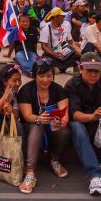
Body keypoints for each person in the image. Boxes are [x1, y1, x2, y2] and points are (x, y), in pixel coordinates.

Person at [66, 51, 101, 196]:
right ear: (81, 68)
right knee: (77, 128)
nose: (93, 75)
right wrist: (92, 116)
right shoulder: (72, 84)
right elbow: (74, 114)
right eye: (89, 71)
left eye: (96, 71)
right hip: (83, 121)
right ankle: (94, 175)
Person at [17, 56, 70, 193]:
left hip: (52, 125)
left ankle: (54, 159)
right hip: (31, 125)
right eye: (41, 76)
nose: (45, 80)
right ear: (34, 76)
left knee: (64, 130)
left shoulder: (58, 90)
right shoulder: (26, 90)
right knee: (37, 125)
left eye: (48, 76)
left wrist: (61, 121)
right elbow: (27, 116)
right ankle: (30, 172)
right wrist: (39, 118)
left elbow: (65, 116)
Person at [39, 8, 79, 72]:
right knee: (45, 57)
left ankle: (60, 68)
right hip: (52, 53)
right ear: (55, 17)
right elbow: (43, 46)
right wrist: (54, 54)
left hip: (65, 52)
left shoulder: (65, 26)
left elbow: (70, 42)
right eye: (62, 16)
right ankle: (65, 67)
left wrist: (78, 51)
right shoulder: (46, 29)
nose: (64, 18)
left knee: (76, 55)